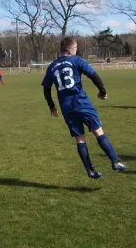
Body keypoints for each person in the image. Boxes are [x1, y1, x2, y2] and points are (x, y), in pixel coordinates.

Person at [41, 37, 127, 179]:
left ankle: (90, 170)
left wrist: (52, 106)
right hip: (81, 102)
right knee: (98, 131)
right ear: (70, 50)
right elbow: (94, 76)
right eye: (75, 48)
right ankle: (115, 161)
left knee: (80, 139)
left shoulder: (52, 66)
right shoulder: (77, 60)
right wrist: (103, 92)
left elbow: (46, 89)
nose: (76, 51)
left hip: (66, 107)